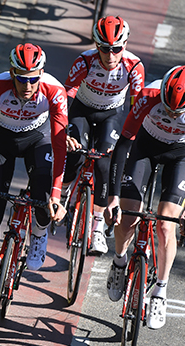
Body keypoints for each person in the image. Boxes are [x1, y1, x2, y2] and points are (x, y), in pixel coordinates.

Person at [105, 65, 185, 329]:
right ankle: (120, 261)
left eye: (177, 111)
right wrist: (112, 197)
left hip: (181, 153)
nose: (170, 114)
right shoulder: (148, 95)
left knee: (167, 225)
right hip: (145, 146)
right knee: (128, 211)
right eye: (166, 107)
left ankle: (160, 292)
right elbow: (123, 146)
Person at [0, 43, 69, 312]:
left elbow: (59, 146)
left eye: (33, 78)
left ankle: (38, 234)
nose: (28, 85)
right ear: (11, 72)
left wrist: (58, 195)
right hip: (3, 141)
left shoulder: (55, 92)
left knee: (42, 193)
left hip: (38, 139)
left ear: (41, 74)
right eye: (22, 78)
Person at [62, 16, 145, 255]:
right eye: (104, 49)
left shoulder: (134, 66)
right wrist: (65, 128)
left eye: (116, 49)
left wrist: (128, 139)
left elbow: (135, 107)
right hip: (82, 110)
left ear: (125, 45)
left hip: (113, 114)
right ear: (96, 45)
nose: (110, 56)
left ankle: (97, 228)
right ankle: (64, 194)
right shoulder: (85, 61)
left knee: (103, 164)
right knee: (75, 154)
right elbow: (67, 95)